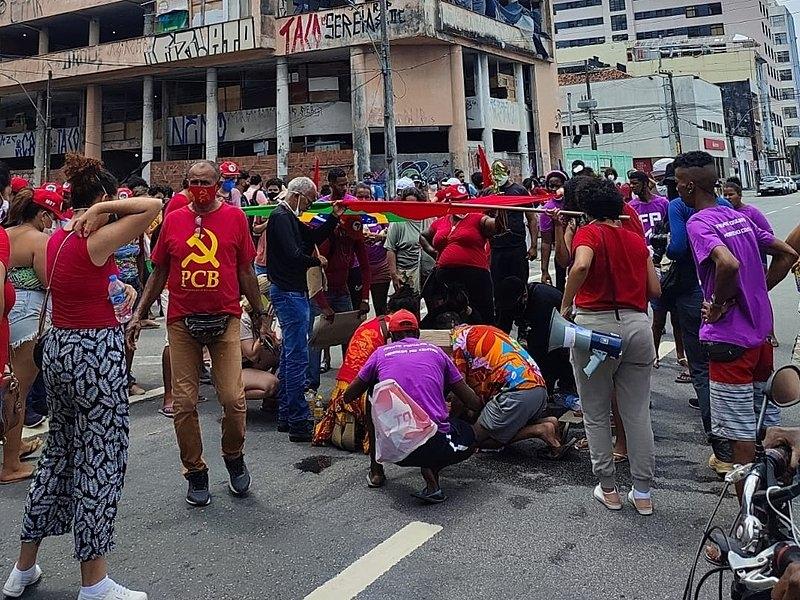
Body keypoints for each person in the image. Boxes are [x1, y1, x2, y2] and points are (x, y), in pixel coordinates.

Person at [4, 153, 160, 600]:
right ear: (104, 200)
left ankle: (23, 569)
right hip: (94, 353)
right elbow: (153, 207)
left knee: (58, 457)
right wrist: (100, 211)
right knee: (99, 462)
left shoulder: (54, 239)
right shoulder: (95, 237)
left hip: (60, 348)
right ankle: (94, 582)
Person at [129, 159, 265, 507]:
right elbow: (159, 271)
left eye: (207, 181)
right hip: (182, 321)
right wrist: (139, 312)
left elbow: (246, 270)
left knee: (233, 400)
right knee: (185, 403)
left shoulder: (235, 218)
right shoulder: (173, 219)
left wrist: (259, 312)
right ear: (185, 184)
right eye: (193, 182)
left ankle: (233, 456)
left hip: (225, 319)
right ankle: (195, 471)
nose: (200, 188)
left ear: (220, 183)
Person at [675, 151, 797, 476]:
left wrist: (717, 303)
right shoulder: (738, 217)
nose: (675, 190)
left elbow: (727, 263)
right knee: (765, 422)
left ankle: (750, 512)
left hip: (729, 341)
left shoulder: (699, 222)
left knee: (739, 432)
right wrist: (756, 290)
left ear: (688, 187)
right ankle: (774, 496)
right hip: (760, 338)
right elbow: (788, 253)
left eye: (676, 183)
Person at [559, 177, 661, 516]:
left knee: (596, 410)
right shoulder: (635, 240)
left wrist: (566, 304)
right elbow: (655, 289)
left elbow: (582, 264)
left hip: (597, 329)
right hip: (638, 327)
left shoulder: (589, 233)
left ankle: (608, 487)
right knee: (636, 413)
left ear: (586, 210)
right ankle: (643, 492)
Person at [342, 310, 482, 503]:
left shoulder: (380, 353)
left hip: (396, 450)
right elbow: (472, 402)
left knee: (372, 394)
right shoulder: (436, 352)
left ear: (391, 337)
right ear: (417, 334)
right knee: (471, 435)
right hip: (435, 445)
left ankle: (376, 472)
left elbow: (348, 396)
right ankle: (432, 467)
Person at [313, 288, 420, 486]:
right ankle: (379, 461)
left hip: (345, 391)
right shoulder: (400, 329)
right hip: (360, 394)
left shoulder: (374, 323)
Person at [266, 176, 344, 442]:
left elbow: (311, 236)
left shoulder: (288, 217)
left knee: (292, 355)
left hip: (292, 291)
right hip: (289, 292)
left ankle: (288, 416)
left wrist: (333, 218)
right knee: (297, 356)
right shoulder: (281, 217)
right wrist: (316, 261)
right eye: (308, 201)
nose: (308, 206)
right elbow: (293, 253)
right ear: (298, 196)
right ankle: (297, 419)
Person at [1, 187, 65, 484]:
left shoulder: (6, 233)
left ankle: (16, 446)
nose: (52, 223)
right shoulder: (40, 240)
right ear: (41, 215)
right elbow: (49, 281)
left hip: (8, 312)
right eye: (51, 217)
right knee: (19, 392)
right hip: (27, 315)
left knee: (8, 384)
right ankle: (11, 464)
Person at [450, 324, 568, 456]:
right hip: (537, 387)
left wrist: (449, 421)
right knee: (508, 423)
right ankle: (549, 422)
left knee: (473, 439)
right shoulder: (483, 331)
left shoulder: (458, 342)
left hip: (516, 392)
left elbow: (459, 392)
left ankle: (540, 430)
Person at [307, 214, 372, 396]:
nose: (352, 238)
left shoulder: (354, 239)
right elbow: (313, 274)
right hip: (322, 291)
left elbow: (366, 268)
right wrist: (323, 304)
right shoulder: (328, 240)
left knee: (350, 336)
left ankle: (349, 381)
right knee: (316, 339)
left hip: (342, 290)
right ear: (340, 229)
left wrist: (364, 298)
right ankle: (310, 385)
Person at [420, 184, 497, 324]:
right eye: (457, 200)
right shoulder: (441, 222)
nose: (462, 203)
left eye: (465, 199)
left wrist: (499, 209)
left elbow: (496, 226)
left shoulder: (478, 218)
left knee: (482, 317)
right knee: (445, 318)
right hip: (446, 281)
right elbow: (423, 236)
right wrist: (433, 252)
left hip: (475, 278)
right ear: (449, 202)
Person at [493, 276, 575, 397]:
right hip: (539, 331)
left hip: (561, 335)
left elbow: (542, 345)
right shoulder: (509, 303)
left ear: (524, 296)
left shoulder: (542, 300)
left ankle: (565, 386)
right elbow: (502, 330)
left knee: (550, 356)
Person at [489, 160, 538, 308]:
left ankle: (523, 316)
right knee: (497, 286)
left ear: (508, 173)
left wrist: (534, 246)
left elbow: (532, 218)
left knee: (521, 284)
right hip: (497, 248)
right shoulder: (489, 192)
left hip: (516, 247)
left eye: (501, 172)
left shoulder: (520, 191)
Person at [385, 186, 433, 294]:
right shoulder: (398, 222)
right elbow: (390, 248)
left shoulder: (429, 219)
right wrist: (394, 275)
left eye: (414, 204)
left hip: (428, 273)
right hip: (406, 273)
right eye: (407, 204)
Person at [539, 170, 568, 290]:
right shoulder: (547, 209)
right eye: (551, 185)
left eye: (558, 185)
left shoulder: (574, 203)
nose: (554, 189)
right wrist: (544, 271)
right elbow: (546, 242)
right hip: (561, 253)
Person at [253, 178, 285, 276]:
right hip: (262, 257)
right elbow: (255, 229)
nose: (272, 192)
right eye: (270, 190)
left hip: (279, 258)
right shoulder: (261, 208)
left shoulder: (284, 208)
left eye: (275, 190)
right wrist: (268, 223)